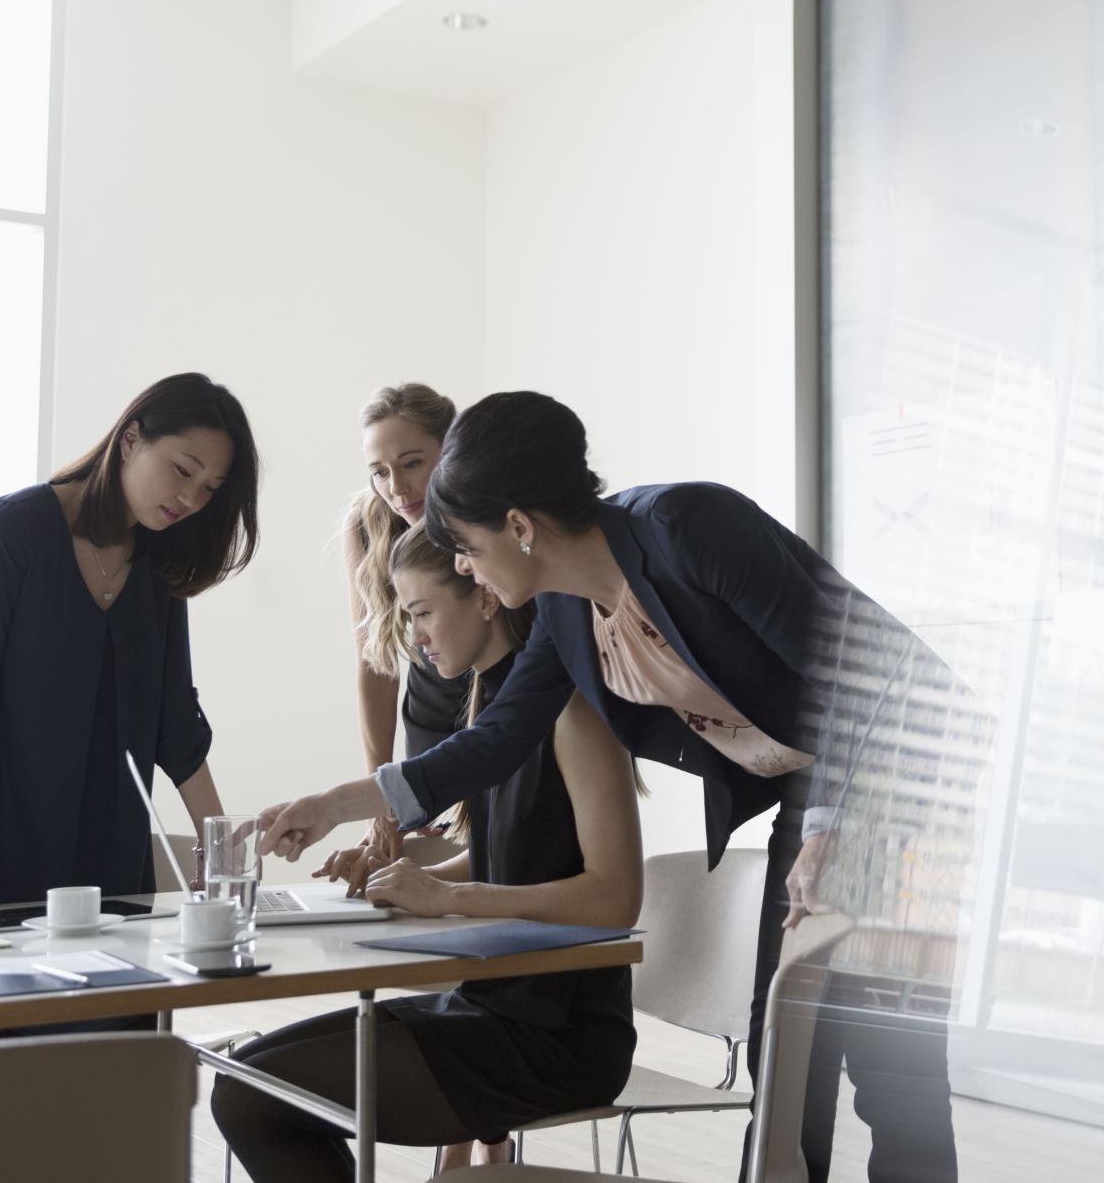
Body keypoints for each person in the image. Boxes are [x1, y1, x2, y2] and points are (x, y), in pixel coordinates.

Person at [258, 391, 964, 1183]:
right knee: (788, 1062)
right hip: (819, 789)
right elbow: (494, 740)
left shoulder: (690, 528)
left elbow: (866, 674)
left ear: (519, 526)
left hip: (908, 771)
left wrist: (837, 823)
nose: (463, 566)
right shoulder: (567, 607)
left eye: (467, 546)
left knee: (886, 1066)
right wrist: (335, 805)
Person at [213, 528, 642, 1180]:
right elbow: (511, 855)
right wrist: (408, 876)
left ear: (486, 597)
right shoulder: (489, 703)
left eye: (421, 612)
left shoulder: (572, 711)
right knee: (243, 1081)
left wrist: (447, 897)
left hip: (557, 1037)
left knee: (251, 1096)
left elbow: (614, 898)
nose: (413, 636)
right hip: (492, 1006)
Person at [0, 372, 259, 911]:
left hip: (103, 849)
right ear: (131, 438)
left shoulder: (159, 564)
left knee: (116, 995)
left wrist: (222, 853)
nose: (189, 497)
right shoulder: (14, 531)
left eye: (209, 488)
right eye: (183, 469)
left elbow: (174, 720)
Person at [341, 383, 470, 871]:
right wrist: (383, 793)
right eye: (380, 471)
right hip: (429, 725)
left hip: (499, 717)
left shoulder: (487, 517)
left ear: (450, 449)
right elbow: (375, 666)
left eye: (412, 463)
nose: (396, 487)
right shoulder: (368, 523)